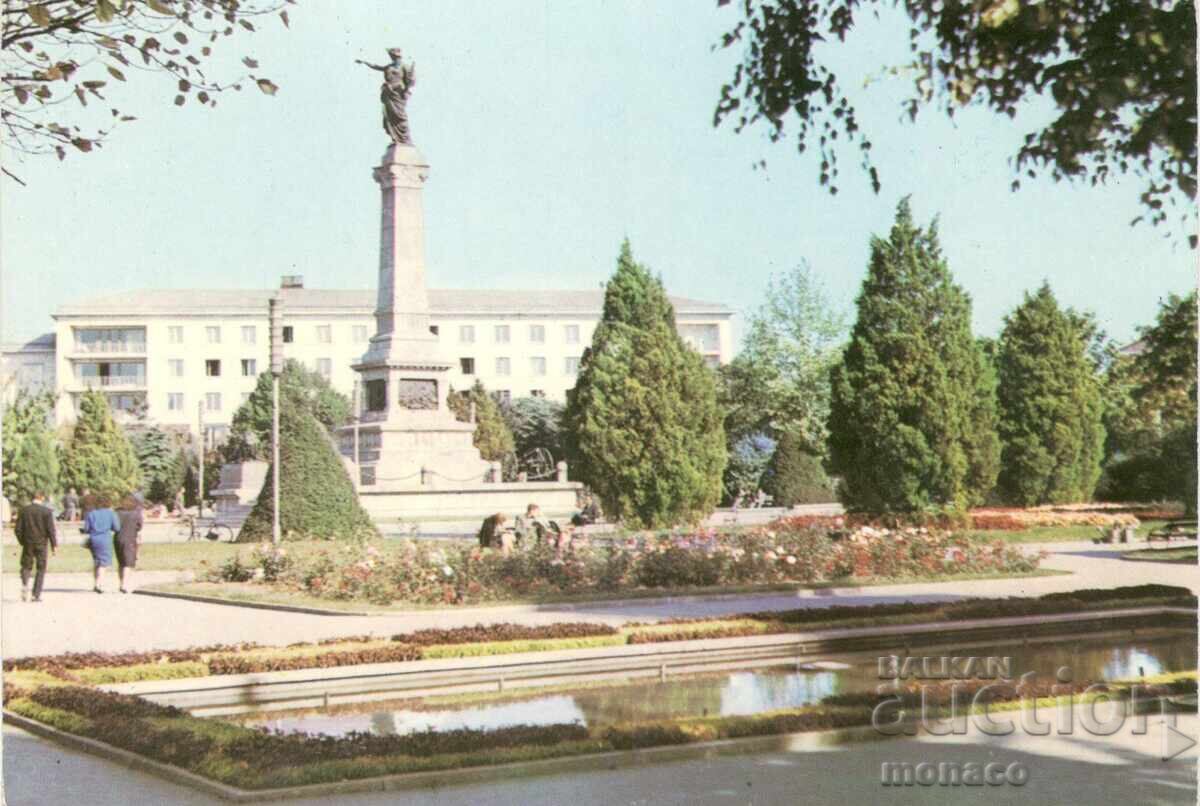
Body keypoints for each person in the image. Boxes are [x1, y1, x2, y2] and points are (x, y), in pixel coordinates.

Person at [15, 491, 57, 602]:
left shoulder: (24, 511)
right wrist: (54, 545)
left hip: (28, 542)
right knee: (41, 568)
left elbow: (18, 529)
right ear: (42, 498)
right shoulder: (47, 512)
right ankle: (36, 594)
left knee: (26, 565)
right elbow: (51, 530)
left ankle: (25, 584)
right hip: (41, 543)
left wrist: (22, 541)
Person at [81, 494, 121, 594]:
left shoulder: (91, 514)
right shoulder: (111, 513)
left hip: (93, 539)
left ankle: (95, 583)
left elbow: (86, 529)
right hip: (105, 538)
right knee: (103, 563)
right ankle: (100, 584)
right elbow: (117, 528)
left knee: (97, 561)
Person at [115, 494, 144, 594]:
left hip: (117, 538)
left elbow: (113, 526)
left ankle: (121, 583)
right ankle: (124, 584)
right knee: (128, 563)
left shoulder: (117, 512)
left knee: (121, 562)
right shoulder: (136, 513)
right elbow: (139, 526)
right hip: (130, 538)